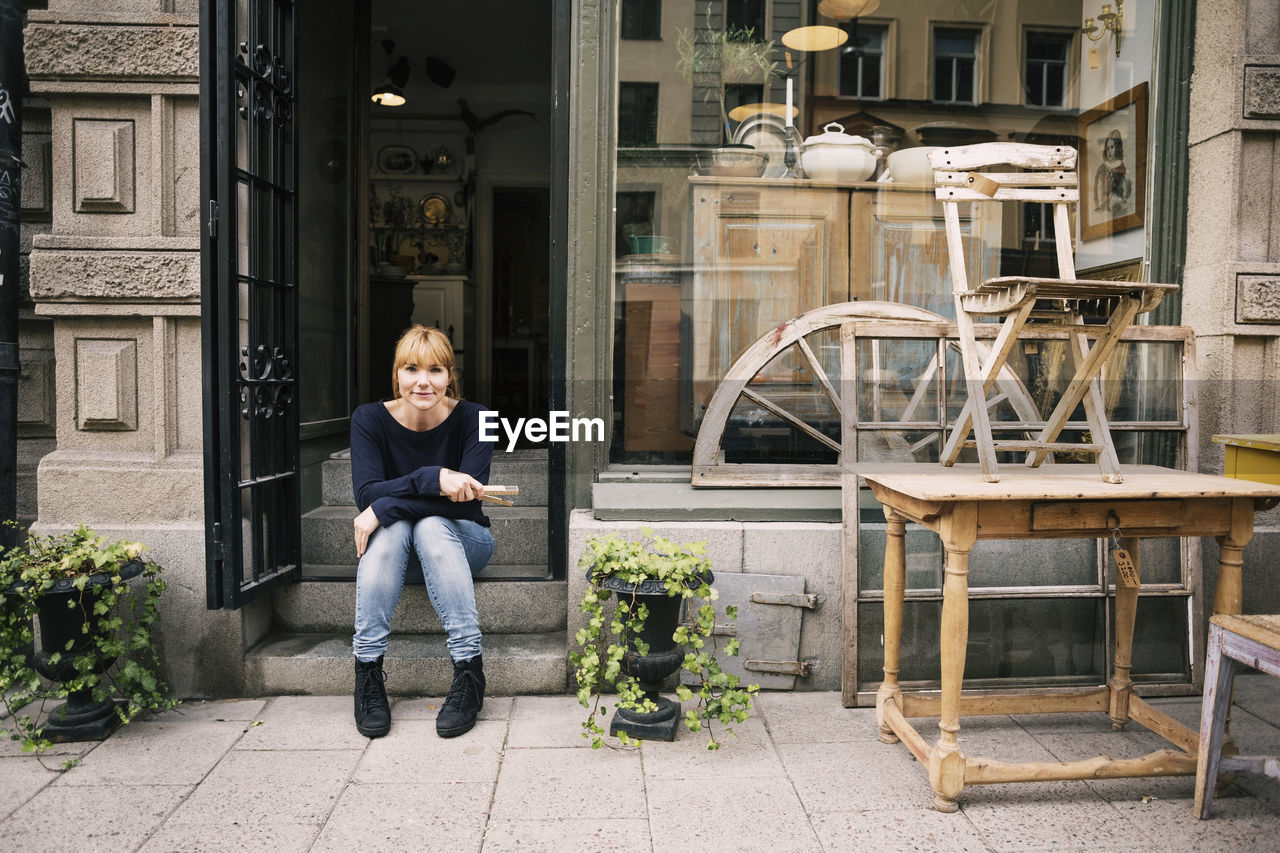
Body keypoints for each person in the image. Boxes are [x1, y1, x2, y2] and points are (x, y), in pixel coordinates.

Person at [349, 325, 495, 739]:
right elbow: (366, 492)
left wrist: (383, 506)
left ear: (450, 376)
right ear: (397, 374)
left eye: (436, 370)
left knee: (429, 525)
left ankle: (468, 673)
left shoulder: (477, 418)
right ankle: (368, 674)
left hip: (464, 543)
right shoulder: (368, 419)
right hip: (394, 558)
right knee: (394, 531)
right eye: (412, 369)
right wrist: (435, 478)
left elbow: (468, 503)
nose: (423, 382)